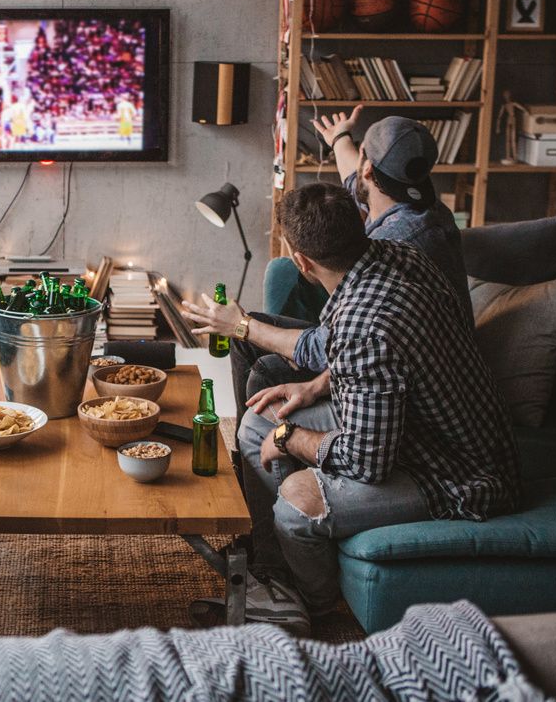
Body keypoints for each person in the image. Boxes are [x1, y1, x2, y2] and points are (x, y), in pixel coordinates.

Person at [190, 183, 519, 635]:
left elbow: (368, 459)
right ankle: (275, 571)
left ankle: (321, 609)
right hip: (404, 422)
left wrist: (289, 438)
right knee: (253, 425)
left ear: (302, 262)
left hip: (455, 472)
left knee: (295, 503)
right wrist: (315, 387)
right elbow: (358, 351)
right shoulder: (398, 256)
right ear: (360, 222)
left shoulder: (364, 325)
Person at [183, 108, 473, 425]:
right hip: (380, 343)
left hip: (398, 371)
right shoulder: (416, 201)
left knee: (262, 364)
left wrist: (240, 325)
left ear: (369, 167)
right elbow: (355, 178)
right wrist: (339, 138)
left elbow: (330, 346)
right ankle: (242, 449)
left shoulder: (396, 249)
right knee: (247, 340)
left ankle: (253, 442)